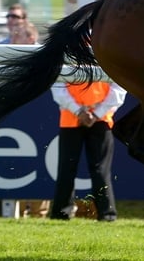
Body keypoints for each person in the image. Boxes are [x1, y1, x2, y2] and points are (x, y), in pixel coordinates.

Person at [49, 80, 127, 221]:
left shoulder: (109, 58)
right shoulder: (67, 57)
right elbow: (57, 87)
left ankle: (107, 214)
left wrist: (93, 114)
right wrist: (83, 112)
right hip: (74, 119)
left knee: (100, 170)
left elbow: (119, 89)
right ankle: (62, 212)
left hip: (98, 120)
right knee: (67, 168)